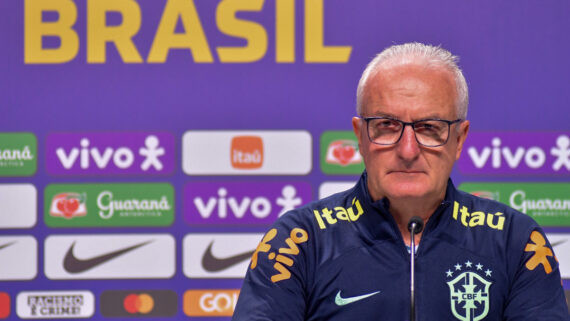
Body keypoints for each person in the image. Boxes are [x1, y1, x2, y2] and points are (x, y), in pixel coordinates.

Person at [232, 42, 569, 320]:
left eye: (429, 128)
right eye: (387, 126)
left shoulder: (516, 241)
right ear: (360, 136)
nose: (408, 150)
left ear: (459, 139)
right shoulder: (298, 241)